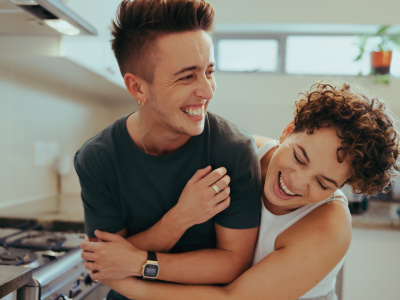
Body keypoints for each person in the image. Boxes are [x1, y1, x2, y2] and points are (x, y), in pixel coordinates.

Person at [97, 82, 400, 300]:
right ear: (287, 130)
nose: (297, 182)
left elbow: (233, 298)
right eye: (298, 156)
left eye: (323, 183)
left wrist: (131, 282)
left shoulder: (328, 227)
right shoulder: (239, 155)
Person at [75, 0, 261, 299]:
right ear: (138, 88)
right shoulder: (97, 158)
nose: (207, 90)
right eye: (187, 76)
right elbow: (106, 261)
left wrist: (140, 262)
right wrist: (181, 218)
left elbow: (232, 263)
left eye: (209, 71)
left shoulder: (233, 150)